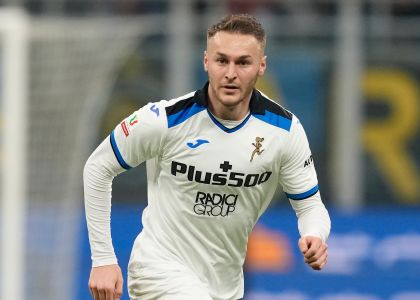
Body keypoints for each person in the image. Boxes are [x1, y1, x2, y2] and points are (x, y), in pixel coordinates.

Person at [84, 13, 331, 300]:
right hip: (159, 270)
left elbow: (310, 206)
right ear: (206, 62)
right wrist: (102, 259)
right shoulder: (164, 120)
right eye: (221, 60)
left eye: (243, 62)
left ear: (261, 66)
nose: (230, 73)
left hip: (225, 284)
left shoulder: (285, 131)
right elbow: (98, 166)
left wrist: (314, 235)